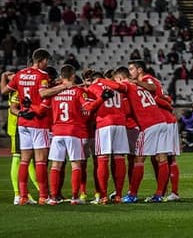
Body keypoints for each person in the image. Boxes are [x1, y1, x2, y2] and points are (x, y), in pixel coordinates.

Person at [1, 49, 71, 205]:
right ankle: (43, 196)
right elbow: (44, 94)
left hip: (23, 121)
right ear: (42, 60)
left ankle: (23, 196)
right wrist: (64, 87)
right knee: (40, 160)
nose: (47, 64)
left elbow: (4, 91)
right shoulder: (42, 75)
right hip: (38, 121)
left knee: (24, 160)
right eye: (47, 61)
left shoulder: (19, 74)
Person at [112, 67, 170, 203]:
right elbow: (153, 89)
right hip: (161, 121)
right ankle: (159, 194)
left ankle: (132, 195)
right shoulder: (142, 87)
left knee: (139, 159)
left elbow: (126, 109)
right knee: (162, 158)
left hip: (149, 125)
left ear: (120, 78)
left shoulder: (126, 85)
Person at [83, 70, 130, 204]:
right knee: (119, 158)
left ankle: (103, 196)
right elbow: (126, 109)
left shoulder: (93, 87)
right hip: (120, 123)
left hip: (104, 124)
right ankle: (119, 195)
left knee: (103, 159)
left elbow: (89, 109)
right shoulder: (114, 86)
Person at [47, 65, 89, 205]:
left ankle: (53, 198)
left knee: (55, 165)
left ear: (61, 76)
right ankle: (75, 197)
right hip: (73, 131)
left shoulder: (53, 91)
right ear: (72, 76)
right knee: (76, 164)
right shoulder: (77, 91)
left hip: (57, 131)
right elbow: (87, 106)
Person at [2, 86, 39, 205]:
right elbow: (13, 107)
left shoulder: (20, 89)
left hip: (22, 127)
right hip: (17, 128)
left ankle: (26, 193)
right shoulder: (18, 91)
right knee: (19, 159)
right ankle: (18, 194)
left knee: (27, 160)